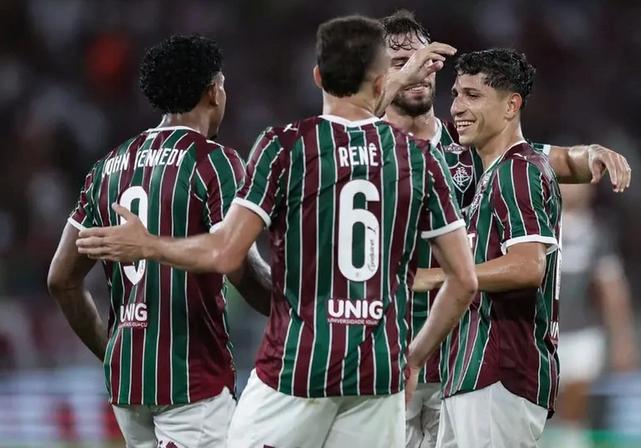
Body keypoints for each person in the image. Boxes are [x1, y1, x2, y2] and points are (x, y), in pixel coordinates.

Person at [76, 16, 477, 448]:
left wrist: (150, 244)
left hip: (297, 361)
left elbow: (227, 254)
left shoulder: (285, 146)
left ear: (317, 76)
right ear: (382, 82)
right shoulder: (420, 160)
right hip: (378, 368)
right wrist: (412, 359)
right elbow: (465, 280)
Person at [379, 10, 632, 448]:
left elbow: (532, 157)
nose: (417, 72)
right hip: (383, 359)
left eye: (425, 60)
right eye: (400, 63)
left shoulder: (466, 148)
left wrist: (589, 153)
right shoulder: (359, 150)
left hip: (454, 362)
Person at [47, 35, 271, 447]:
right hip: (191, 385)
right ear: (212, 91)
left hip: (129, 390)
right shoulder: (214, 161)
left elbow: (61, 279)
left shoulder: (107, 168)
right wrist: (306, 304)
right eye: (222, 84)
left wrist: (113, 352)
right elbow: (242, 268)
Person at [413, 48, 562, 448]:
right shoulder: (491, 175)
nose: (457, 107)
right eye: (456, 95)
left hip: (499, 372)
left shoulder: (517, 170)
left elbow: (529, 267)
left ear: (512, 105)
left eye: (473, 96)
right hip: (471, 374)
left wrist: (440, 276)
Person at [541, 185, 637, 448]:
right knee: (537, 411)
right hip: (540, 335)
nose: (572, 187)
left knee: (574, 411)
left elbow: (612, 289)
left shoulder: (598, 232)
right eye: (566, 180)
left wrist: (623, 340)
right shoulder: (539, 225)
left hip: (583, 333)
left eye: (579, 180)